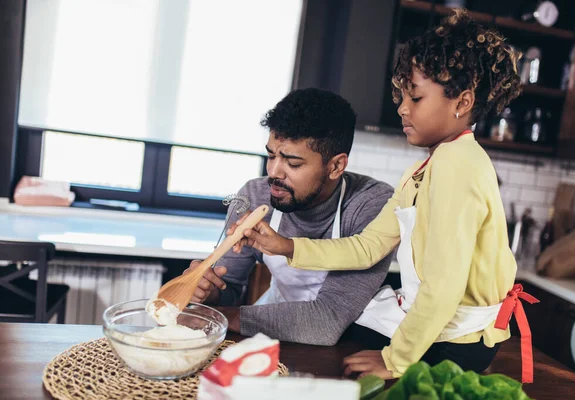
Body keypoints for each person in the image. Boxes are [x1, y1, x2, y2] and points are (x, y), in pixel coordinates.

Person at [231, 11, 538, 382]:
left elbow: (443, 287)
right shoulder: (423, 169)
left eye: (416, 97)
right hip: (436, 324)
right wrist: (286, 246)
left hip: (461, 341)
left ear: (463, 101)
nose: (402, 108)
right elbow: (366, 247)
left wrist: (396, 360)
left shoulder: (460, 167)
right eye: (402, 95)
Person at [186, 88, 395, 346]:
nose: (273, 172)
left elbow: (326, 320)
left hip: (350, 341)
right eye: (271, 155)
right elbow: (228, 286)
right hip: (276, 324)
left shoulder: (370, 203)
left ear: (336, 166)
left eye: (293, 163)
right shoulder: (255, 195)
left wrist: (218, 318)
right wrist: (208, 293)